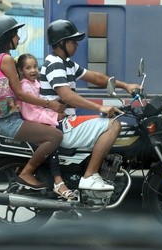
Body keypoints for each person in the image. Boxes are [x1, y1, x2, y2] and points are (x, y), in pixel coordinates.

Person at [40, 19, 141, 191]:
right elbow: (66, 95)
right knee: (113, 125)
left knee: (113, 123)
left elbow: (95, 77)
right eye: (73, 41)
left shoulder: (67, 64)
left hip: (64, 121)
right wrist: (99, 107)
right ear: (62, 43)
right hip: (59, 124)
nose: (77, 45)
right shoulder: (55, 64)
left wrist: (126, 86)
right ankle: (89, 176)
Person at [0, 15, 65, 190]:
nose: (18, 38)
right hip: (8, 121)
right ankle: (26, 173)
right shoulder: (6, 59)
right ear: (7, 36)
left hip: (1, 119)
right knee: (55, 136)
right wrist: (49, 104)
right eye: (16, 34)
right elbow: (20, 94)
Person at [17, 53, 74, 199]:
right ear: (21, 70)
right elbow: (32, 112)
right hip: (35, 123)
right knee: (54, 139)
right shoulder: (25, 86)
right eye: (28, 67)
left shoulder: (36, 84)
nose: (33, 70)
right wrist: (55, 116)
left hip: (43, 119)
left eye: (35, 66)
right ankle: (57, 179)